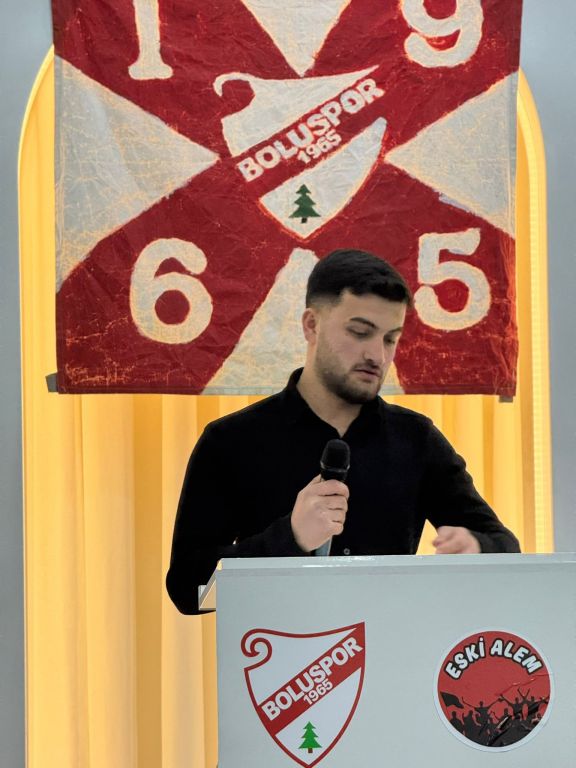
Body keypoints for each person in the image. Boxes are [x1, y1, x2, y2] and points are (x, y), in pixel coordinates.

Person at [166, 249, 520, 614]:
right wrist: (291, 537)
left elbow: (504, 544)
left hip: (393, 646)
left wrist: (476, 549)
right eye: (360, 332)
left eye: (390, 339)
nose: (377, 356)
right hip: (274, 648)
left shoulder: (417, 440)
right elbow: (187, 589)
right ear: (311, 325)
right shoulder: (231, 441)